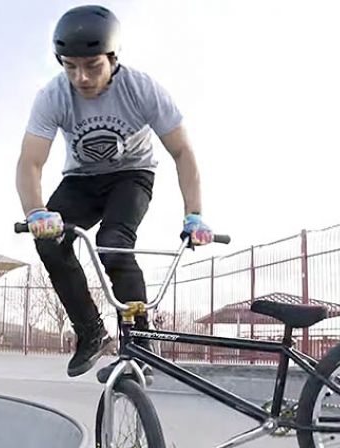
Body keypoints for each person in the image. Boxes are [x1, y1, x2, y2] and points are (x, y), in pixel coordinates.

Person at [15, 5, 215, 377]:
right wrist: (36, 212)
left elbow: (182, 152)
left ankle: (140, 343)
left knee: (114, 240)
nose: (82, 77)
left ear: (113, 59)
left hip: (132, 175)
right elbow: (30, 163)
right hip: (81, 180)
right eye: (70, 66)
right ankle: (90, 331)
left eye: (92, 66)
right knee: (50, 242)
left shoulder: (142, 89)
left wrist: (195, 215)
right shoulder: (53, 96)